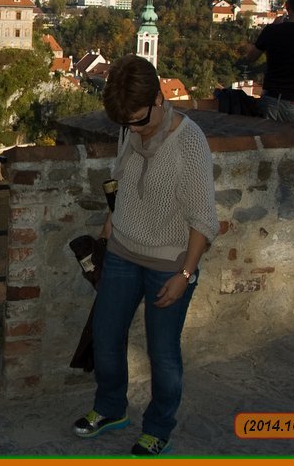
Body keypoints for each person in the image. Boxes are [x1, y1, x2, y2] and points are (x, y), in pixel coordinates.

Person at [72, 55, 218, 457]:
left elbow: (204, 220)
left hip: (169, 264)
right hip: (122, 249)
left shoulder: (189, 142)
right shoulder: (128, 130)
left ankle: (158, 427)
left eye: (139, 119)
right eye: (126, 123)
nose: (134, 129)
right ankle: (111, 408)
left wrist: (185, 274)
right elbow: (121, 179)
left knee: (163, 352)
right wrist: (110, 219)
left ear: (159, 98)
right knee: (105, 336)